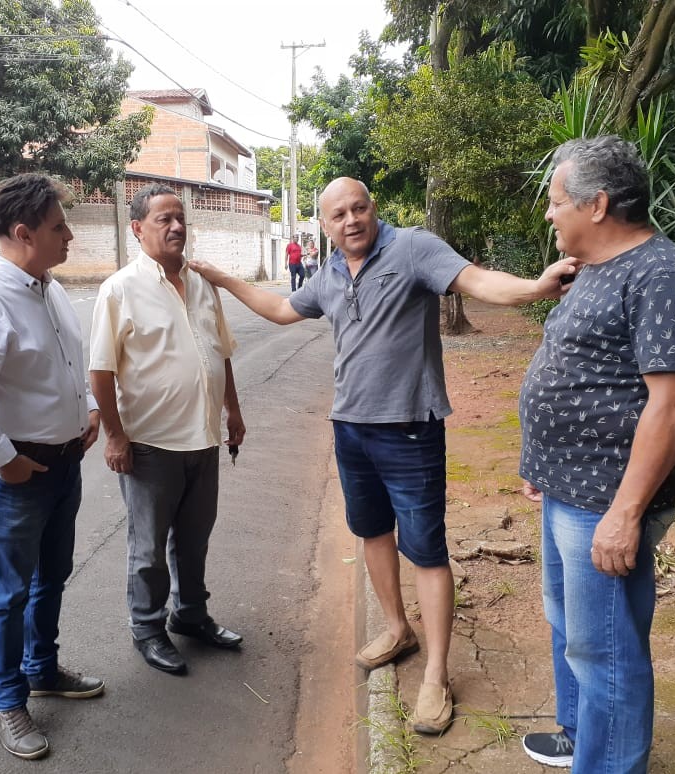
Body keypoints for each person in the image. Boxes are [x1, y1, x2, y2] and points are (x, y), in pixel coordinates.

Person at [188, 176, 575, 734]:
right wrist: (222, 279)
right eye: (338, 214)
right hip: (351, 429)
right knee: (371, 533)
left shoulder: (414, 249)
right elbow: (277, 309)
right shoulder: (328, 275)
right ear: (324, 225)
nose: (351, 220)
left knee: (426, 550)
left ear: (373, 209)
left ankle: (436, 674)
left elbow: (476, 281)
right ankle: (397, 628)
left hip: (410, 429)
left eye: (359, 208)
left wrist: (537, 289)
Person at [517, 136, 675, 772]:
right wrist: (543, 465)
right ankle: (580, 734)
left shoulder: (665, 276)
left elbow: (672, 406)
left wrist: (626, 514)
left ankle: (610, 763)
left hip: (606, 500)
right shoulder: (596, 268)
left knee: (608, 653)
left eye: (556, 203)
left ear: (596, 205)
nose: (550, 214)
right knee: (571, 628)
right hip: (568, 488)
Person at [0, 173, 104, 761]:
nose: (71, 236)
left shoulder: (46, 287)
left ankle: (42, 668)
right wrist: (3, 463)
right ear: (23, 232)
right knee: (8, 593)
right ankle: (8, 699)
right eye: (60, 227)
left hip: (64, 465)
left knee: (51, 577)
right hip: (19, 475)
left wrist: (86, 407)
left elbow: (66, 363)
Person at [89, 182, 245, 676]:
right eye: (164, 219)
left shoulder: (202, 284)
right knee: (149, 547)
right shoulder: (119, 289)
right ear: (137, 229)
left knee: (195, 538)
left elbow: (220, 353)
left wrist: (233, 412)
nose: (177, 227)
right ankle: (148, 628)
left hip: (203, 438)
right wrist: (115, 436)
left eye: (181, 219)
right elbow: (101, 371)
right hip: (151, 444)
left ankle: (191, 614)